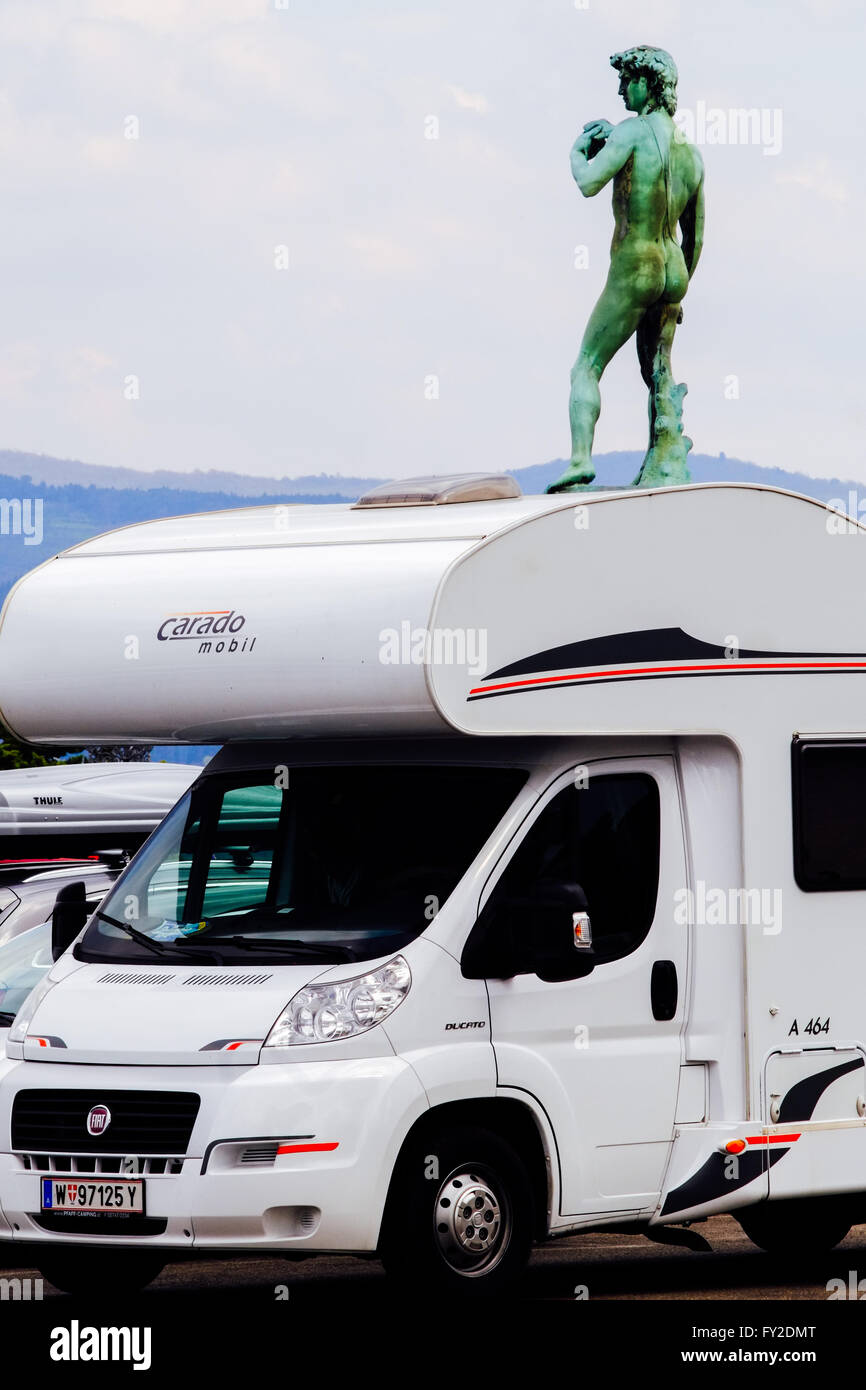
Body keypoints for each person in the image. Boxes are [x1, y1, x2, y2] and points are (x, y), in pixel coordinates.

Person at [548, 46, 704, 492]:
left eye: (628, 80)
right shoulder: (691, 154)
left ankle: (580, 460)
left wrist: (580, 150)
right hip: (673, 267)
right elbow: (696, 236)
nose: (621, 89)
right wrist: (683, 286)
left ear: (648, 85)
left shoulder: (631, 132)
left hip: (635, 263)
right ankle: (666, 462)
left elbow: (588, 181)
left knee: (586, 366)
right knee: (657, 373)